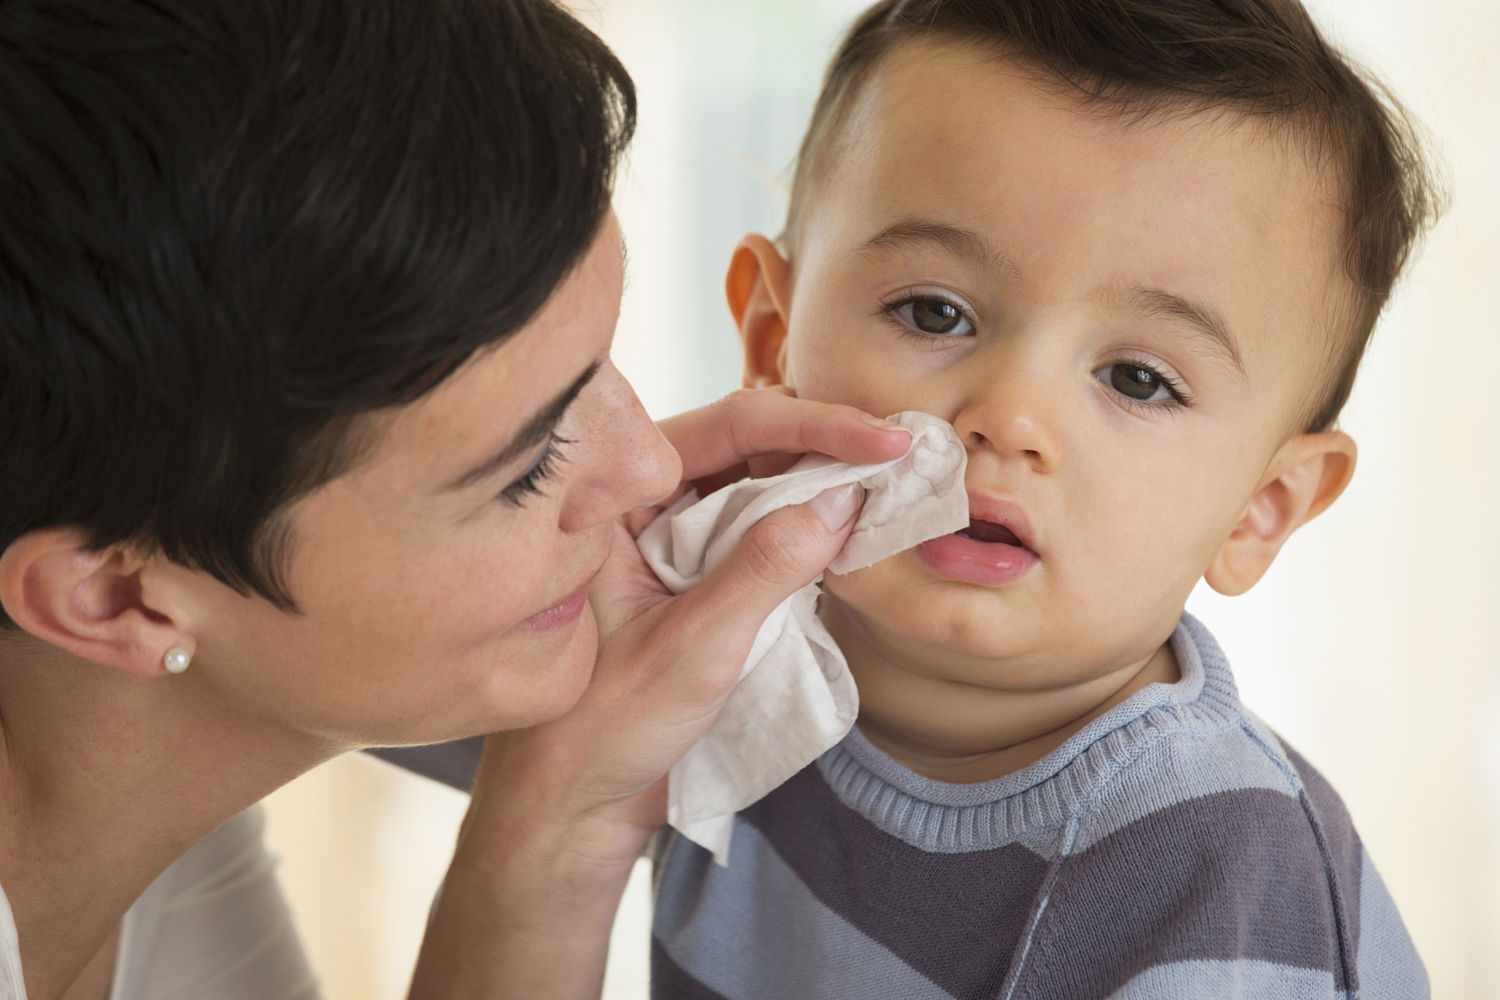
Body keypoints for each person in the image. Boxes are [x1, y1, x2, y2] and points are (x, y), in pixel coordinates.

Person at [0, 1, 917, 997]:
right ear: (114, 600)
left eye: (599, 365)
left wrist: (565, 810)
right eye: (524, 467)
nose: (652, 468)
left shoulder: (139, 829)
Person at [642, 0, 1443, 997]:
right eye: (935, 312)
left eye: (1138, 379)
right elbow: (402, 684)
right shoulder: (700, 624)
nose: (1011, 417)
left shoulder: (1221, 866)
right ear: (773, 345)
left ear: (1257, 510)